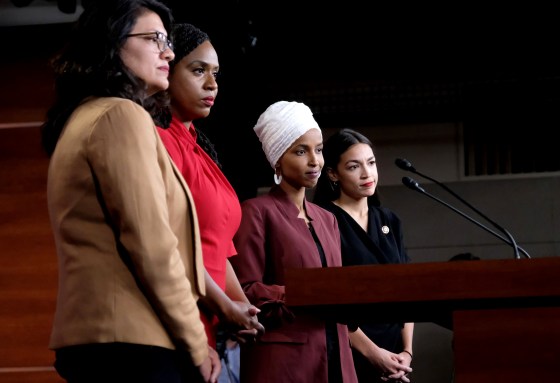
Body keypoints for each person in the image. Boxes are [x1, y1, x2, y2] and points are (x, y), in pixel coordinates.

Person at [41, 2, 220, 382]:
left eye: (167, 41)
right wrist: (195, 338)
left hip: (107, 339)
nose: (168, 52)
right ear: (113, 45)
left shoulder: (88, 115)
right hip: (134, 343)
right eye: (154, 39)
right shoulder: (120, 116)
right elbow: (152, 245)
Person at [155, 22, 264, 380]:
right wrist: (225, 305)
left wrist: (242, 307)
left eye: (215, 73)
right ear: (166, 70)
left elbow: (219, 248)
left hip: (212, 327)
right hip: (174, 325)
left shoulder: (200, 148)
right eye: (198, 70)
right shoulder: (157, 139)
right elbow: (167, 244)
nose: (212, 84)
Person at [229, 101, 358, 383]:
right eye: (301, 151)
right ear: (277, 159)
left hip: (337, 356)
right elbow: (244, 290)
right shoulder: (256, 211)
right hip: (286, 363)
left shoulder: (328, 219)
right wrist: (304, 294)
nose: (315, 161)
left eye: (319, 149)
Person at [314, 128, 414, 383]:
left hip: (395, 355)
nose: (367, 173)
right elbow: (328, 302)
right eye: (353, 166)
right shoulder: (323, 219)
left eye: (370, 163)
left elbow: (409, 290)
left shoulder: (389, 219)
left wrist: (406, 352)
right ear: (333, 174)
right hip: (351, 351)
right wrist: (373, 353)